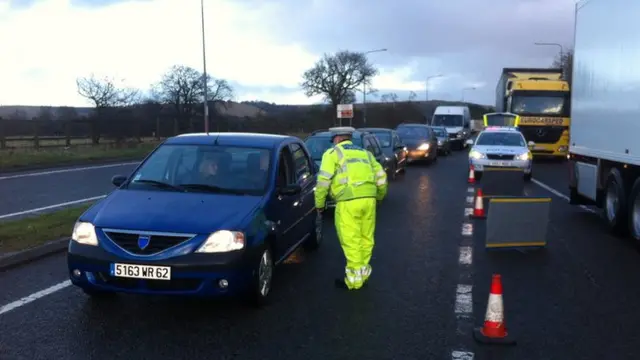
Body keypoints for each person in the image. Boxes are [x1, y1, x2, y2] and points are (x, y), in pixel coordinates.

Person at [314, 127, 388, 290]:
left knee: (351, 240)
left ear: (337, 139)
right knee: (366, 238)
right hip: (369, 200)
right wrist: (380, 196)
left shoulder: (332, 154)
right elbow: (381, 176)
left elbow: (323, 182)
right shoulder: (365, 154)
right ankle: (363, 274)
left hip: (348, 202)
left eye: (333, 139)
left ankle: (354, 282)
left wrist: (319, 204)